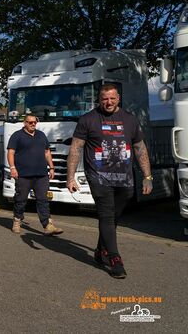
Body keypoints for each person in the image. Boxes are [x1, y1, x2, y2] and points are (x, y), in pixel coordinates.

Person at [67, 83, 152, 279]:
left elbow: (140, 148)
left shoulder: (129, 120)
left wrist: (147, 177)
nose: (109, 102)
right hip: (98, 177)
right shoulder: (88, 119)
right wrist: (70, 177)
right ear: (99, 99)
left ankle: (100, 250)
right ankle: (114, 258)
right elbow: (76, 149)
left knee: (113, 216)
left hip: (125, 179)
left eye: (112, 98)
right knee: (106, 214)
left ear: (118, 98)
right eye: (105, 99)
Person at [7, 114, 63, 236]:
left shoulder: (41, 135)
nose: (33, 124)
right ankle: (17, 220)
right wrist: (12, 168)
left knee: (43, 200)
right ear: (24, 123)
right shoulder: (17, 136)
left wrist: (52, 168)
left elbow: (47, 152)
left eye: (35, 122)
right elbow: (11, 152)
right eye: (30, 122)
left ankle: (48, 225)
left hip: (41, 174)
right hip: (23, 175)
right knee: (21, 200)